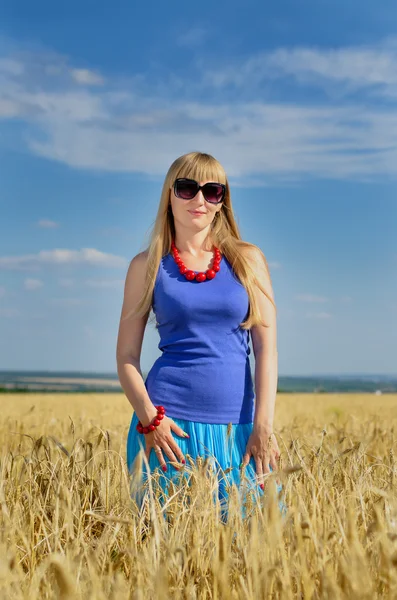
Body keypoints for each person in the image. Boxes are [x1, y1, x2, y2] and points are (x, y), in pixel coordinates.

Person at [116, 151, 286, 523]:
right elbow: (126, 357)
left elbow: (266, 351)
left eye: (212, 191)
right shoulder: (146, 265)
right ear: (169, 195)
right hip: (169, 432)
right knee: (171, 557)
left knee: (255, 552)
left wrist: (263, 426)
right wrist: (150, 419)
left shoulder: (248, 260)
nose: (199, 200)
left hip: (240, 431)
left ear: (223, 201)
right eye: (187, 188)